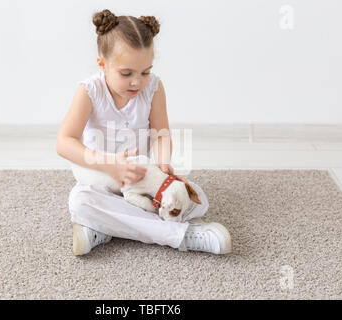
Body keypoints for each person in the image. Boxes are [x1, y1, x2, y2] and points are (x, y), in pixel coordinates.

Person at [56, 9, 232, 256]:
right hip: (101, 181)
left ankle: (105, 228)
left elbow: (161, 133)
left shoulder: (154, 88)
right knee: (81, 202)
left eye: (145, 72)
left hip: (144, 182)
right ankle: (183, 235)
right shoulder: (89, 91)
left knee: (197, 197)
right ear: (103, 65)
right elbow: (64, 143)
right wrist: (109, 165)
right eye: (126, 74)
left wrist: (162, 163)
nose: (137, 82)